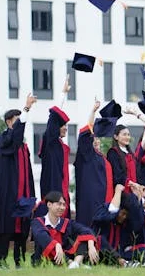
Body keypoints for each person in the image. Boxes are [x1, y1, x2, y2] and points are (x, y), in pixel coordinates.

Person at [0, 93, 37, 269]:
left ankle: (18, 261)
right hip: (9, 193)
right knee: (7, 228)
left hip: (23, 192)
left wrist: (32, 196)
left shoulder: (24, 147)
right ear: (8, 122)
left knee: (22, 229)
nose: (20, 125)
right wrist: (26, 108)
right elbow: (15, 137)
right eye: (17, 121)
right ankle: (0, 261)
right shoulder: (3, 139)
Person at [30, 191, 99, 269]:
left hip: (65, 255)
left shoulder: (67, 223)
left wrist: (91, 245)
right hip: (44, 259)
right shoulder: (37, 222)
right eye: (59, 204)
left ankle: (76, 263)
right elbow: (41, 236)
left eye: (64, 205)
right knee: (46, 243)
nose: (62, 208)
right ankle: (72, 264)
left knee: (86, 238)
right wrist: (56, 244)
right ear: (49, 204)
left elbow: (85, 230)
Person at [74, 98, 114, 227]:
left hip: (103, 200)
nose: (96, 141)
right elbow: (87, 133)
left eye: (98, 138)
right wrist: (93, 111)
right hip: (90, 200)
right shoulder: (87, 154)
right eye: (93, 138)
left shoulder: (102, 157)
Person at [39, 77, 72, 217]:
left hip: (62, 190)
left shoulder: (60, 145)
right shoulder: (50, 142)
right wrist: (63, 94)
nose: (65, 129)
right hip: (52, 189)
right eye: (63, 126)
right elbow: (53, 119)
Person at [106, 125, 137, 191]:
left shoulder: (131, 154)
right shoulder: (113, 153)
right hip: (120, 191)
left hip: (134, 190)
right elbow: (117, 175)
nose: (127, 137)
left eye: (128, 135)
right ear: (116, 137)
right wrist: (132, 184)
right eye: (124, 134)